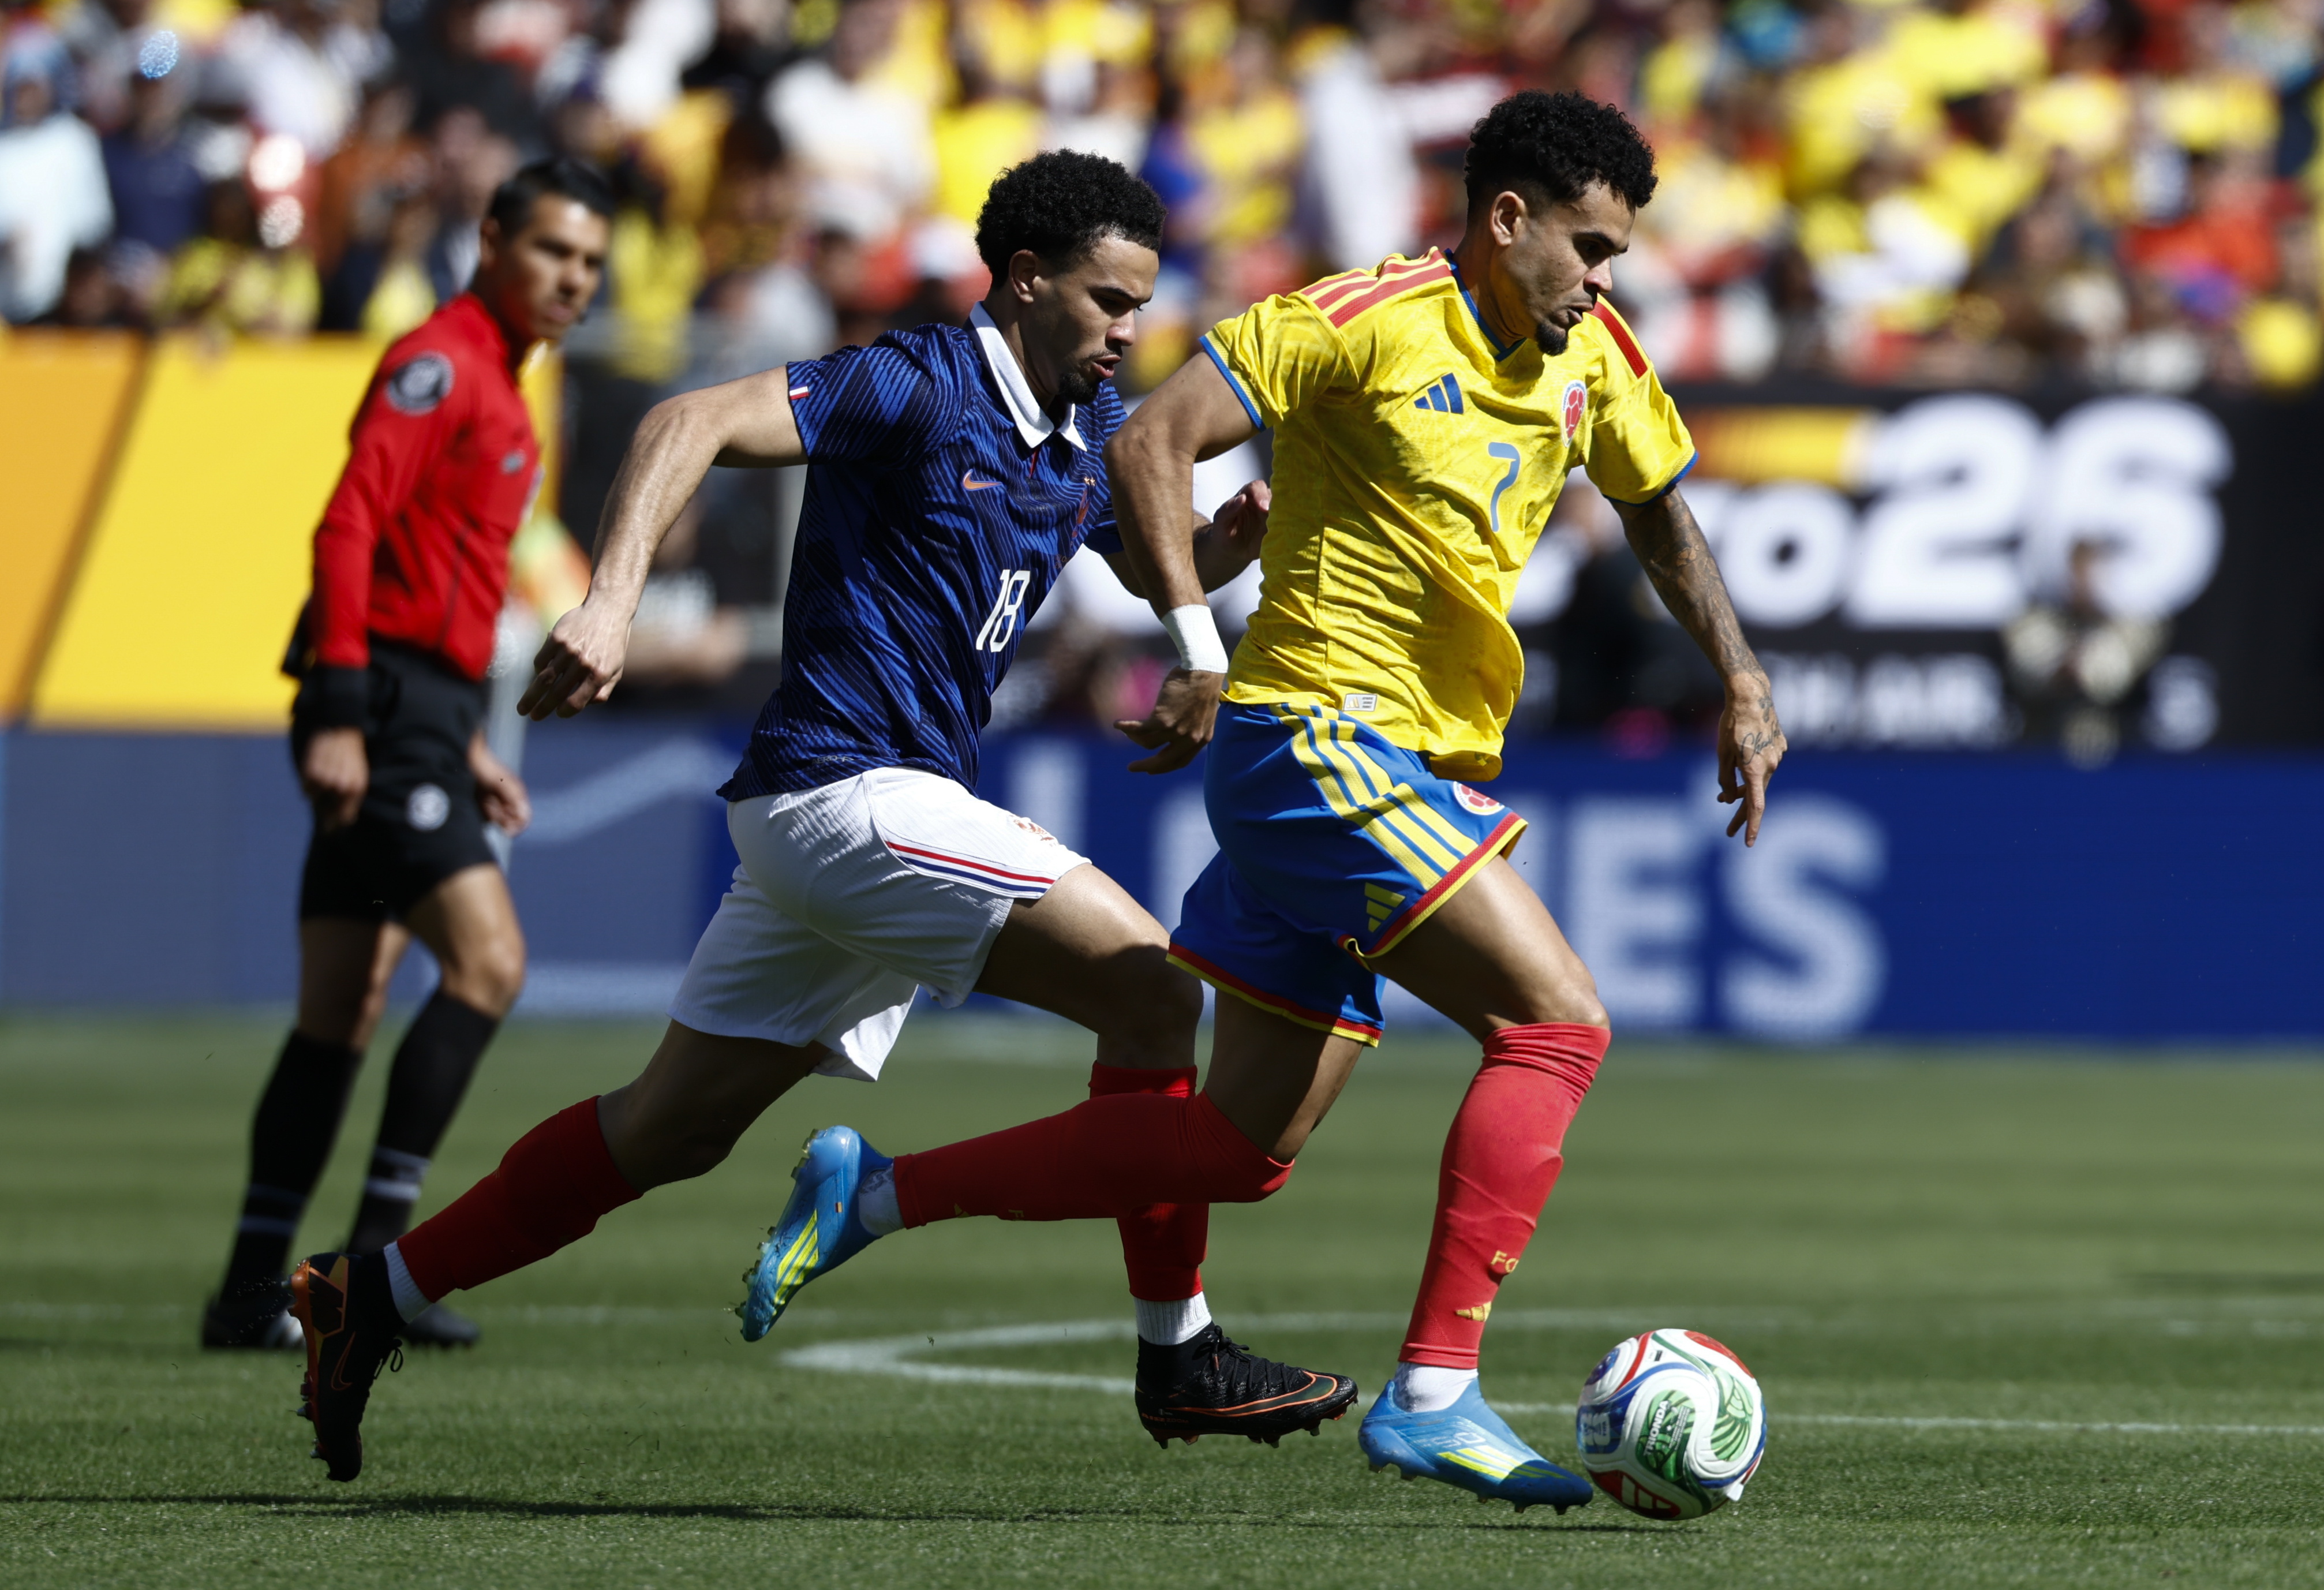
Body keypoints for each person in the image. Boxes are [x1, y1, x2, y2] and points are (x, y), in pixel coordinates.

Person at [761, 91, 1788, 1513]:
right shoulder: (1357, 316)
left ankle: (872, 1190)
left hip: (1401, 765)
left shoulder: (1593, 359)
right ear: (1506, 220)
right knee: (1554, 1024)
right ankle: (1434, 1393)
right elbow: (1151, 446)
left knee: (1234, 1151)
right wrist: (1193, 641)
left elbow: (1662, 512)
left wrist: (1737, 677)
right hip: (1314, 740)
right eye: (1589, 246)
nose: (1605, 279)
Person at [282, 151, 1357, 1486]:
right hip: (847, 791)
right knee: (1152, 999)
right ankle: (1178, 1350)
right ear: (1023, 283)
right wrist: (610, 600)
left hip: (852, 823)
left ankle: (371, 1292)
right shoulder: (913, 379)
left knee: (665, 1129)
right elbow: (686, 421)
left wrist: (1217, 554)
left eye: (1138, 302)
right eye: (1104, 299)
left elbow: (1137, 559)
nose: (1127, 329)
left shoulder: (1076, 436)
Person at [200, 159, 612, 1355]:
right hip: (373, 700)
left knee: (344, 1003)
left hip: (420, 711)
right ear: (490, 241)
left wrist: (469, 746)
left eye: (589, 264)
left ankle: (246, 1292)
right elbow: (349, 521)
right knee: (488, 965)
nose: (572, 280)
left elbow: (448, 582)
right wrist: (337, 707)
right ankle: (376, 1278)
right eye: (551, 253)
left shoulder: (508, 384)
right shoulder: (438, 361)